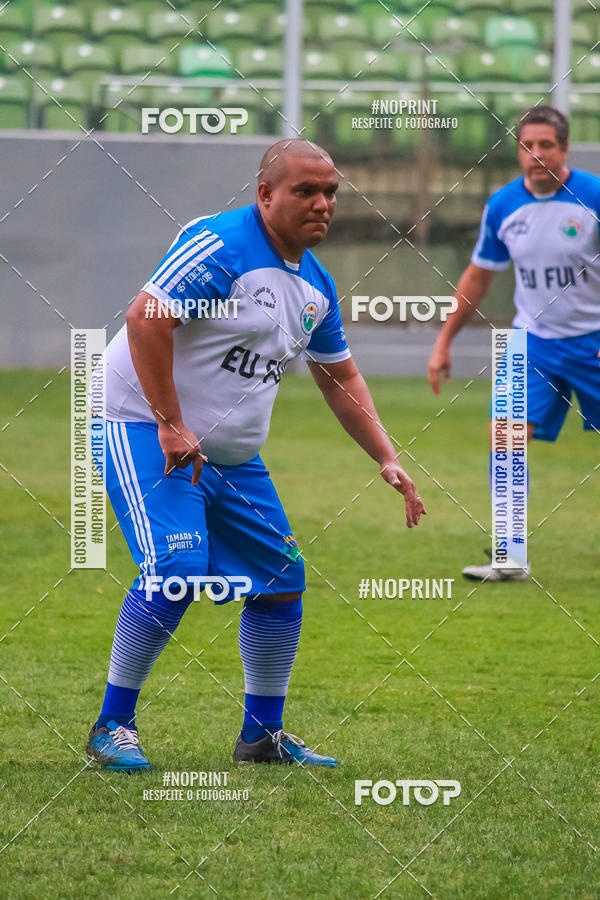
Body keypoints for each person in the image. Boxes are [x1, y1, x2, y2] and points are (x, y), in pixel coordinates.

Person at [86, 139, 426, 772]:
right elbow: (145, 318)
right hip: (144, 428)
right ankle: (112, 726)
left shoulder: (316, 284)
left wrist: (386, 455)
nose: (322, 204)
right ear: (265, 195)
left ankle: (261, 738)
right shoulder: (222, 245)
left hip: (233, 457)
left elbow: (339, 377)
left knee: (281, 579)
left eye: (330, 193)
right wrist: (169, 423)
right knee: (177, 570)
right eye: (305, 191)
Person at [428, 105, 600, 583]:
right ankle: (510, 555)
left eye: (546, 145)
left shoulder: (594, 196)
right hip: (531, 342)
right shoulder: (503, 206)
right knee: (504, 439)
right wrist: (444, 340)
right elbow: (479, 276)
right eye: (527, 145)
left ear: (564, 149)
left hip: (595, 341)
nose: (536, 154)